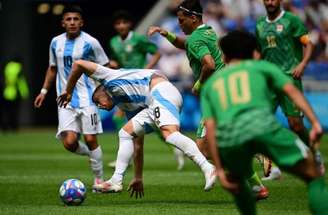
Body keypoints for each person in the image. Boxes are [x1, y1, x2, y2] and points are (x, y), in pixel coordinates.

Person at [148, 0, 268, 199]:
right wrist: (166, 34)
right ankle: (256, 184)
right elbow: (185, 44)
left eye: (181, 20)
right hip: (226, 91)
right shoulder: (208, 31)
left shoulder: (196, 39)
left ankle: (252, 156)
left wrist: (199, 84)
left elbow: (209, 64)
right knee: (221, 141)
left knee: (203, 147)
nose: (179, 24)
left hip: (215, 95)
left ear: (193, 18)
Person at [202, 30, 328, 215]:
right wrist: (315, 123)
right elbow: (291, 91)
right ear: (254, 53)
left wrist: (220, 168)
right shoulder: (262, 68)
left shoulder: (212, 84)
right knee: (314, 174)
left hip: (232, 139)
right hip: (263, 127)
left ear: (226, 56)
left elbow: (211, 127)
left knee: (237, 182)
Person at [56, 59, 217, 195]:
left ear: (103, 91)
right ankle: (116, 181)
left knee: (169, 134)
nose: (100, 106)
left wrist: (68, 91)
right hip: (154, 101)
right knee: (125, 134)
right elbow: (138, 145)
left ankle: (208, 167)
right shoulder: (128, 106)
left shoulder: (109, 77)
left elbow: (78, 64)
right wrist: (138, 177)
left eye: (98, 101)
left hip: (161, 91)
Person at [33, 5, 108, 190]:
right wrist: (43, 91)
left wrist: (103, 92)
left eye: (76, 19)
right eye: (69, 19)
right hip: (64, 100)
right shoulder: (55, 42)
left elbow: (105, 66)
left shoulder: (91, 42)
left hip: (87, 98)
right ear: (63, 22)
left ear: (81, 22)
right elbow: (52, 68)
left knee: (91, 140)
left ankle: (99, 180)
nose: (72, 22)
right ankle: (92, 156)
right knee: (69, 143)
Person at [255, 0, 322, 180]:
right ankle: (271, 168)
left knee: (295, 124)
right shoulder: (260, 24)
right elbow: (259, 53)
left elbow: (309, 44)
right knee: (259, 123)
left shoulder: (292, 21)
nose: (270, 2)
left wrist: (303, 64)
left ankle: (314, 154)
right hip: (268, 81)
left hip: (289, 79)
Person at [2, 56, 29, 131]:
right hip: (16, 92)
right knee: (14, 111)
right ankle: (14, 126)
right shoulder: (18, 67)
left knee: (6, 111)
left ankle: (4, 126)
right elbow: (21, 81)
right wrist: (24, 92)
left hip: (7, 91)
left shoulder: (8, 66)